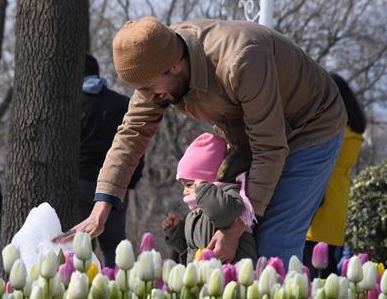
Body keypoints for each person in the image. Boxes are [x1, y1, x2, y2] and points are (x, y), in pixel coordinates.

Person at [59, 17, 346, 265]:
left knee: (272, 240)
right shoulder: (154, 62)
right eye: (139, 90)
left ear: (174, 66)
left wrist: (235, 228)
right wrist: (100, 210)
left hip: (311, 126)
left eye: (148, 88)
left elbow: (270, 148)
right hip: (250, 131)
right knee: (227, 225)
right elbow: (131, 134)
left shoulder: (241, 59)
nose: (147, 97)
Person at [80, 54, 144, 264]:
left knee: (81, 247)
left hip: (80, 183)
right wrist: (130, 182)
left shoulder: (72, 106)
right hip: (117, 184)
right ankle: (117, 291)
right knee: (115, 249)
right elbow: (136, 146)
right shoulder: (121, 103)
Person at [302, 73, 367, 275]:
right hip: (338, 196)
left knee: (311, 262)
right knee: (328, 261)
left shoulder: (335, 127)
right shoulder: (354, 129)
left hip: (321, 193)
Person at [162, 133, 257, 263]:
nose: (184, 192)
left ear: (207, 180)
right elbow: (192, 250)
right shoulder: (195, 214)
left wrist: (203, 189)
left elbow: (224, 215)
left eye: (189, 184)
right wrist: (176, 232)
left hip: (232, 273)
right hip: (206, 276)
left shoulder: (230, 194)